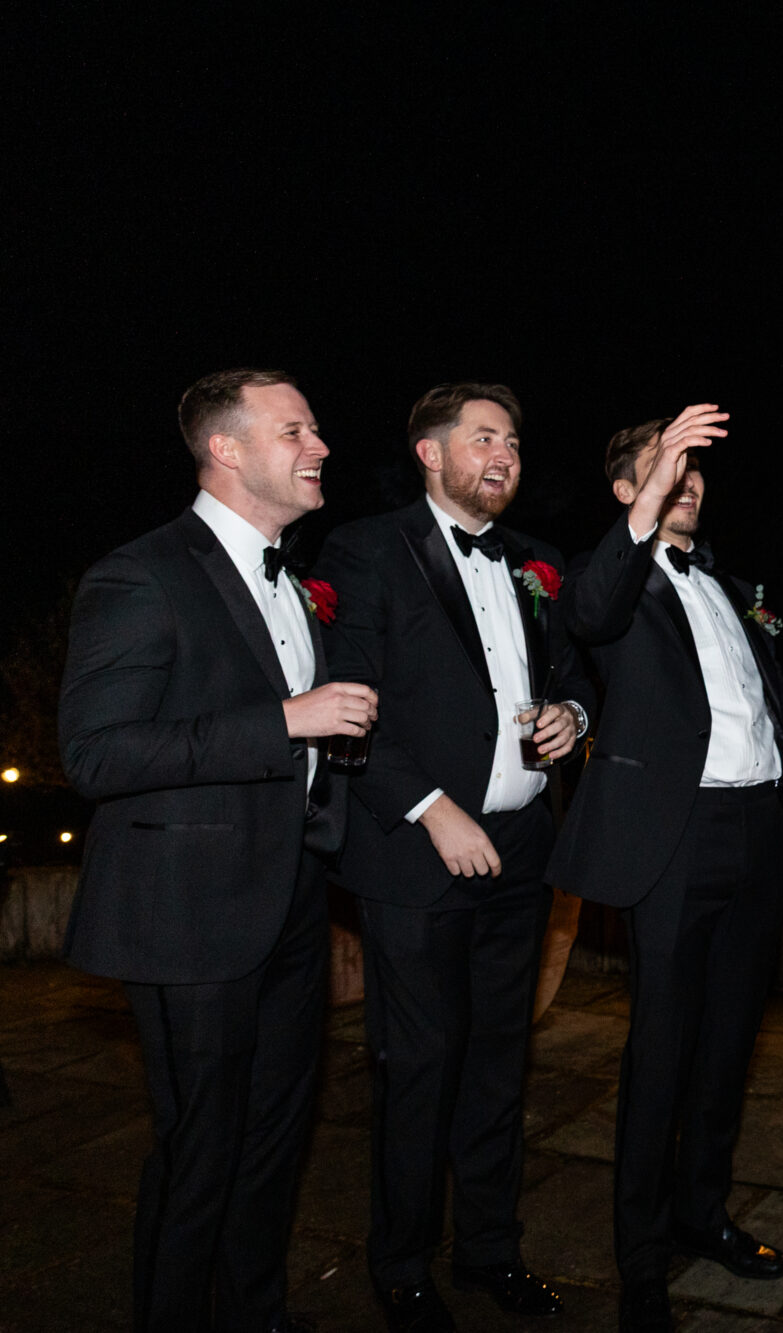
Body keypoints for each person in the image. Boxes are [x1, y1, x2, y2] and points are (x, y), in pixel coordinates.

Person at [59, 368, 374, 1332]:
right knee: (201, 1154)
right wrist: (285, 720)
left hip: (291, 900)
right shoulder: (141, 573)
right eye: (295, 430)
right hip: (187, 914)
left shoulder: (291, 580)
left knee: (275, 1142)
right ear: (226, 450)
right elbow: (95, 753)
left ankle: (255, 1312)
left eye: (315, 428)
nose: (319, 446)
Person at [543, 414, 783, 1330]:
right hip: (675, 835)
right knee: (662, 1050)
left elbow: (761, 701)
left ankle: (703, 1213)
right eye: (663, 468)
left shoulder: (726, 584)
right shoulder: (611, 576)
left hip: (759, 827)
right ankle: (640, 1261)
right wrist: (646, 501)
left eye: (692, 468)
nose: (687, 481)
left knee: (727, 1044)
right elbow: (588, 615)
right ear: (627, 490)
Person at [316, 383, 594, 1331]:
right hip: (417, 849)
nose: (504, 454)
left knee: (499, 1062)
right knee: (420, 1066)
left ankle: (489, 1249)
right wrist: (434, 810)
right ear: (430, 454)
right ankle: (400, 1265)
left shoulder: (539, 562)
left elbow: (573, 674)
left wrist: (573, 716)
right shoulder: (367, 549)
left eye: (511, 440)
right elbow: (346, 703)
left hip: (521, 848)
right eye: (483, 438)